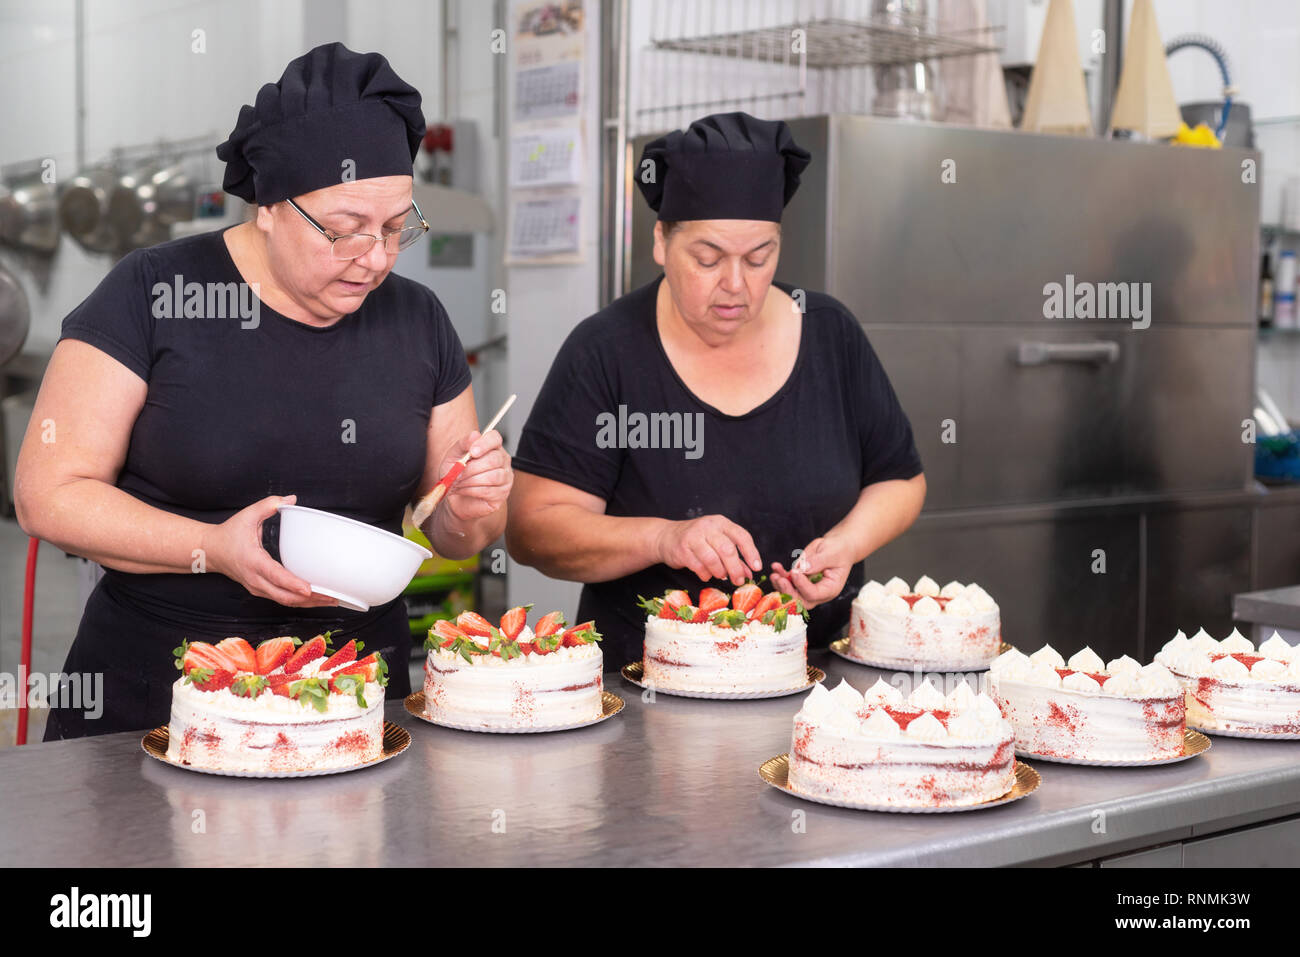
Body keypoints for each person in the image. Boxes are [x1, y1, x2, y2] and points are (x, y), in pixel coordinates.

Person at [16, 43, 512, 739]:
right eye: (343, 231)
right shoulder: (155, 292)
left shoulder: (417, 317)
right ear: (270, 206)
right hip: (156, 698)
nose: (373, 258)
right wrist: (211, 546)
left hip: (354, 701)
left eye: (397, 228)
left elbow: (455, 530)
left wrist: (473, 503)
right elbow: (49, 492)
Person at [506, 112, 926, 667]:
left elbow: (900, 480)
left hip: (818, 681)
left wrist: (848, 543)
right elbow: (533, 530)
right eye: (707, 259)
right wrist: (662, 539)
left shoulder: (828, 332)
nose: (736, 285)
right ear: (660, 241)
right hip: (646, 688)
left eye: (759, 257)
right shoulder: (606, 351)